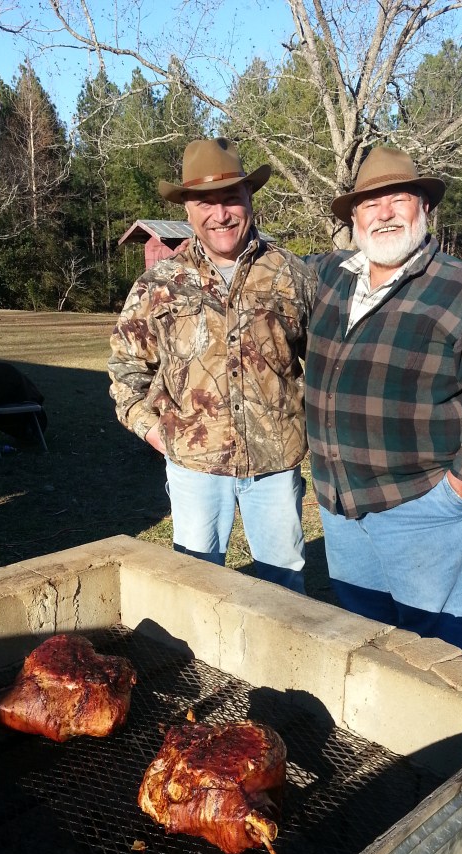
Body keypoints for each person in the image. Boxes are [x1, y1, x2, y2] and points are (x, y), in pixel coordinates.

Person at [305, 146, 462, 650]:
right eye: (369, 204)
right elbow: (262, 270)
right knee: (364, 643)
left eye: (398, 198)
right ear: (354, 218)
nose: (383, 213)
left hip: (421, 506)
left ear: (423, 208)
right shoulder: (329, 278)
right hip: (340, 504)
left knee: (432, 655)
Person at [108, 138, 316, 592]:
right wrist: (152, 429)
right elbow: (126, 369)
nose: (219, 214)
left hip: (275, 466)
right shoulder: (160, 284)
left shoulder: (292, 274)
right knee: (197, 590)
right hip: (194, 468)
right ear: (187, 210)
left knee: (286, 591)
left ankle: (278, 666)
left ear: (249, 200)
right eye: (205, 201)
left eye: (230, 198)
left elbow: (325, 364)